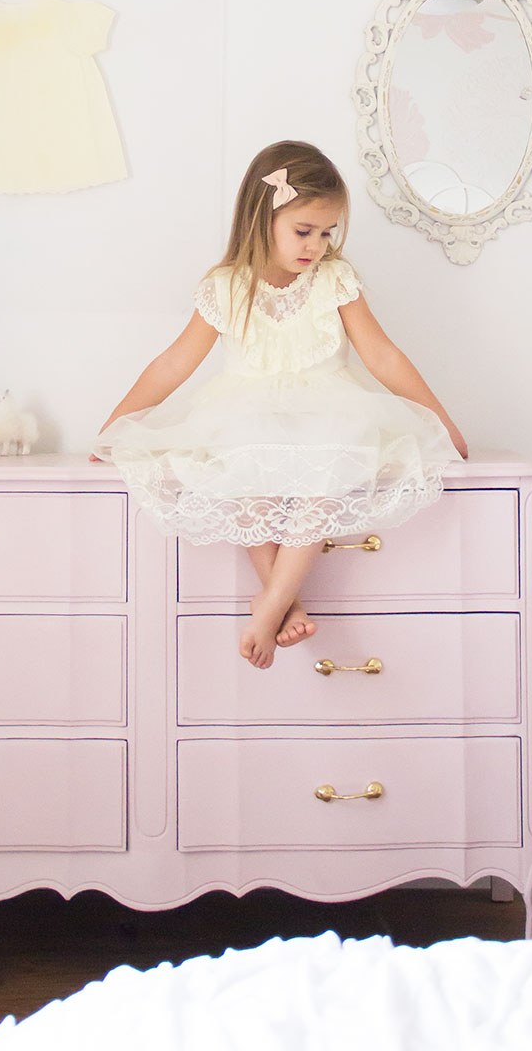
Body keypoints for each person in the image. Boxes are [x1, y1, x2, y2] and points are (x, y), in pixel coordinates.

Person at [92, 140, 467, 670]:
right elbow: (174, 363)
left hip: (328, 410)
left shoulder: (335, 279)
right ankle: (282, 602)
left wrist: (440, 422)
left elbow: (382, 354)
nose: (316, 245)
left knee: (329, 474)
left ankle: (268, 606)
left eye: (327, 232)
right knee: (247, 474)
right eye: (303, 231)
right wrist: (117, 425)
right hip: (243, 413)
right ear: (261, 219)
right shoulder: (225, 288)